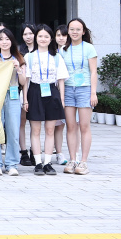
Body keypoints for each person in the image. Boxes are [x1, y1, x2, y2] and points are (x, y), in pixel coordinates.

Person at [23, 24, 68, 176]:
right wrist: (25, 100)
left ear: (51, 39)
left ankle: (48, 162)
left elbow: (61, 80)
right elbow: (25, 81)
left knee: (50, 129)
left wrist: (61, 99)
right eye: (40, 36)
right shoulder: (29, 56)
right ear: (36, 38)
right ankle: (38, 162)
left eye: (46, 36)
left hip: (52, 92)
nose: (43, 39)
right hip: (34, 92)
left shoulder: (56, 57)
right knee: (35, 130)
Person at [61, 18, 97, 175]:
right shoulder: (63, 49)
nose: (74, 32)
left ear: (83, 31)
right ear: (68, 31)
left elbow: (94, 72)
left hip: (84, 89)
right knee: (70, 126)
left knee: (84, 126)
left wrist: (93, 92)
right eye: (72, 29)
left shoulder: (89, 48)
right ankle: (72, 159)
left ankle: (83, 161)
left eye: (78, 29)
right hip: (68, 89)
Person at [0, 28, 28, 176]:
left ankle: (12, 164)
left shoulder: (19, 59)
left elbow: (23, 82)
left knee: (13, 131)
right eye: (1, 39)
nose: (4, 42)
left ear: (11, 41)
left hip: (13, 96)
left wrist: (18, 69)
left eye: (7, 39)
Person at [18, 23, 38, 167]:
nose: (28, 37)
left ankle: (34, 151)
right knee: (22, 122)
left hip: (37, 90)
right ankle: (23, 152)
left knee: (35, 123)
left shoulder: (42, 50)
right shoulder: (19, 51)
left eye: (30, 33)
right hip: (21, 89)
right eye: (25, 34)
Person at [51, 25, 69, 166]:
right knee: (56, 125)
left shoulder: (71, 51)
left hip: (70, 90)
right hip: (55, 92)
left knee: (67, 124)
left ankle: (68, 153)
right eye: (58, 35)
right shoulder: (52, 53)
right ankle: (58, 152)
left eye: (64, 35)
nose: (61, 38)